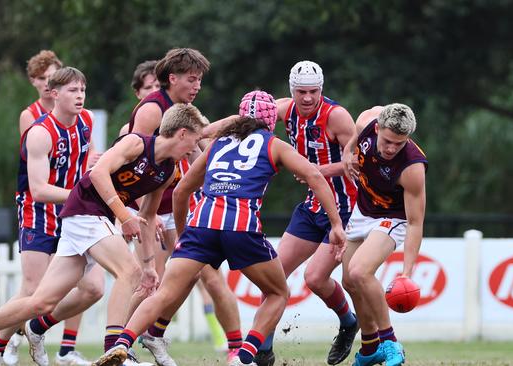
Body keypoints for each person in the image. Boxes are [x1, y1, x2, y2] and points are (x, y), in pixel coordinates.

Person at [0, 102, 208, 366]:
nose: (193, 151)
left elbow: (148, 217)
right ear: (181, 133)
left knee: (41, 303)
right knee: (128, 271)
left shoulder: (168, 170)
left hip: (93, 217)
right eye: (194, 142)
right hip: (85, 208)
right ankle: (115, 350)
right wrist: (124, 215)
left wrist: (150, 264)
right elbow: (99, 172)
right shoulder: (136, 143)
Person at [93, 91, 347, 366]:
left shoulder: (218, 144)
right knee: (278, 293)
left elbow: (181, 191)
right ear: (272, 119)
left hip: (201, 225)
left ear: (238, 115)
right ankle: (244, 357)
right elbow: (314, 176)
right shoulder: (274, 145)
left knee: (165, 293)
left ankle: (122, 343)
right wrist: (335, 223)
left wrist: (184, 235)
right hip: (241, 226)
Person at [117, 48, 242, 366]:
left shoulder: (186, 108)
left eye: (200, 79)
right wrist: (142, 212)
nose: (197, 85)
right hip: (153, 208)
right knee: (152, 281)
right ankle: (119, 345)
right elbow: (135, 160)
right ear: (172, 78)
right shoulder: (151, 110)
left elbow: (202, 152)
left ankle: (232, 349)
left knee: (203, 276)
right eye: (192, 79)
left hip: (181, 205)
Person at [0, 66, 101, 366]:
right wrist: (80, 193)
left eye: (82, 89)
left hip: (73, 210)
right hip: (38, 210)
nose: (80, 95)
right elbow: (39, 190)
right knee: (33, 289)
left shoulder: (87, 120)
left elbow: (89, 161)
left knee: (94, 288)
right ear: (52, 92)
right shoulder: (38, 130)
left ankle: (37, 329)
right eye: (73, 90)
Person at [254, 60, 359, 366]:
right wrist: (206, 131)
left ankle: (349, 322)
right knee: (272, 276)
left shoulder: (336, 117)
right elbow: (250, 115)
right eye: (302, 92)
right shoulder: (284, 110)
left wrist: (317, 171)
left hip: (344, 207)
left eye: (314, 91)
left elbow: (358, 163)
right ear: (292, 91)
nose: (308, 98)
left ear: (321, 90)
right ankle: (264, 349)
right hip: (312, 204)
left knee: (315, 278)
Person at [341, 103, 427, 366]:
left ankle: (391, 343)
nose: (391, 149)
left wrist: (407, 272)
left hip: (393, 218)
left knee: (359, 272)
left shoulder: (412, 167)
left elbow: (415, 222)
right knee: (349, 281)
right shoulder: (366, 121)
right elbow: (356, 136)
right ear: (377, 128)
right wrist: (347, 152)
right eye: (387, 141)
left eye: (399, 144)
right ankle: (369, 349)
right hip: (363, 210)